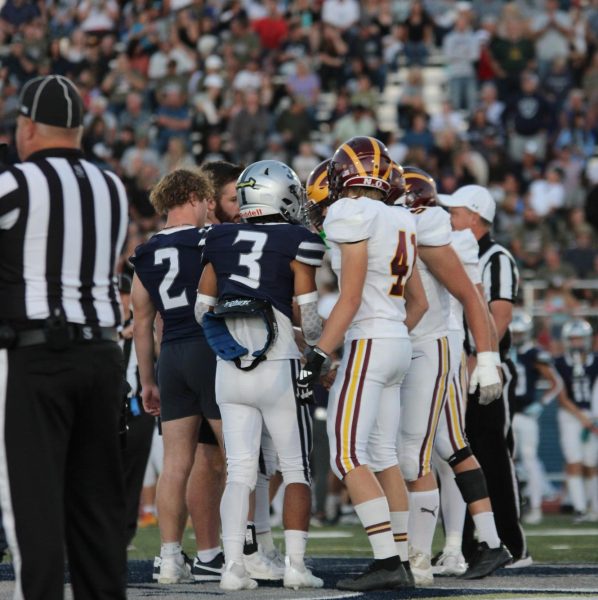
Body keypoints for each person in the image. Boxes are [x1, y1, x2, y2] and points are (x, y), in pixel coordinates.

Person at [0, 74, 128, 599]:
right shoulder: (113, 187)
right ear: (80, 129)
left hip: (36, 357)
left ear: (27, 127)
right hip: (102, 355)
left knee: (34, 508)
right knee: (97, 508)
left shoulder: (13, 183)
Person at [299, 137, 429, 592]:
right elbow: (420, 301)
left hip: (370, 340)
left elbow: (350, 296)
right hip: (395, 339)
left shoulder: (349, 212)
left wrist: (321, 352)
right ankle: (401, 557)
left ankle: (387, 560)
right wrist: (389, 332)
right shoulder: (401, 217)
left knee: (346, 454)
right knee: (383, 456)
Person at [196, 159, 325, 591]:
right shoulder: (295, 239)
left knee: (239, 473)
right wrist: (313, 349)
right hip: (278, 366)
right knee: (295, 469)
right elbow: (308, 320)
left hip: (229, 369)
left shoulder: (220, 236)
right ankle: (295, 565)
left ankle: (233, 568)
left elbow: (201, 309)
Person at [393, 170, 508, 584]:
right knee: (446, 447)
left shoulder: (448, 237)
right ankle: (485, 544)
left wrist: (488, 357)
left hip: (441, 349)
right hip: (426, 348)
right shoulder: (417, 229)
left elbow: (475, 299)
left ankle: (442, 550)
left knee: (438, 448)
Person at [131, 168, 225, 584]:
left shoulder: (146, 251)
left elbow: (141, 321)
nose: (210, 207)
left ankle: (169, 557)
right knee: (236, 457)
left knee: (174, 464)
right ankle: (238, 555)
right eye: (205, 199)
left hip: (171, 356)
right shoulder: (210, 239)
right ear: (190, 196)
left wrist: (147, 380)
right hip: (211, 348)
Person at [438, 185, 527, 567]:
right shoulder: (452, 248)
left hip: (485, 367)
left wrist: (480, 359)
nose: (449, 218)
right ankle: (466, 545)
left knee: (491, 455)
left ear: (474, 217)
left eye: (455, 212)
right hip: (458, 363)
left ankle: (510, 544)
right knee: (456, 455)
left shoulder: (497, 257)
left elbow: (500, 315)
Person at [509, 309, 562, 525]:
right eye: (514, 333)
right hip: (507, 415)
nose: (517, 338)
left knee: (529, 460)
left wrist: (540, 404)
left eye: (521, 333)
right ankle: (511, 509)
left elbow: (556, 383)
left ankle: (536, 507)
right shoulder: (503, 351)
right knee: (506, 461)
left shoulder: (534, 354)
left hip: (527, 414)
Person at [554, 318, 598, 521]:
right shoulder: (560, 362)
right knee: (574, 462)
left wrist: (591, 419)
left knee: (591, 463)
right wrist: (582, 418)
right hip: (571, 417)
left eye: (579, 339)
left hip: (593, 417)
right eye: (572, 339)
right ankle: (580, 508)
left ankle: (594, 508)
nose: (576, 343)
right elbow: (562, 397)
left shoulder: (595, 361)